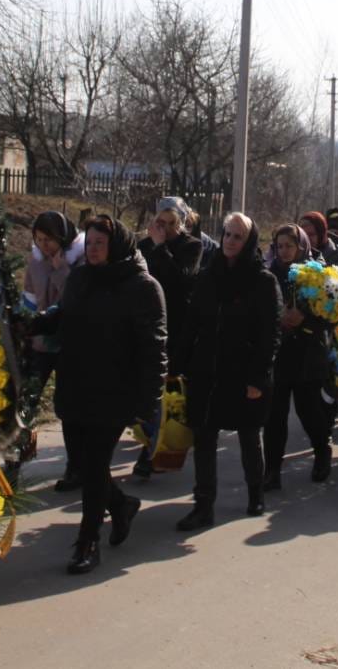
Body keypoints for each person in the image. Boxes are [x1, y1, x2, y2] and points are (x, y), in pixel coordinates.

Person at [28, 215, 165, 574]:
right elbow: (64, 313)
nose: (92, 250)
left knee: (95, 463)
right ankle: (120, 505)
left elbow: (154, 349)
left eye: (99, 244)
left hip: (114, 389)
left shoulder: (142, 287)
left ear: (115, 245)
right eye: (88, 244)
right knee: (86, 465)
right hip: (75, 383)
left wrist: (149, 403)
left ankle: (88, 542)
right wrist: (37, 321)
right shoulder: (81, 277)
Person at [174, 213, 280, 530]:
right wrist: (178, 364)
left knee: (249, 435)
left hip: (243, 370)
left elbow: (270, 333)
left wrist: (258, 378)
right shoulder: (209, 275)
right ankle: (203, 505)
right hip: (207, 369)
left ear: (248, 242)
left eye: (237, 237)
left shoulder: (263, 281)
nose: (230, 241)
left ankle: (255, 492)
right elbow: (191, 323)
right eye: (227, 235)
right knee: (204, 438)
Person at [261, 224, 333, 489]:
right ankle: (272, 469)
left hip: (308, 353)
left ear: (301, 246)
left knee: (308, 410)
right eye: (279, 246)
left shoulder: (316, 274)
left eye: (289, 246)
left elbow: (330, 314)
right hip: (279, 354)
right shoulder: (270, 274)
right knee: (274, 415)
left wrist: (305, 317)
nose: (284, 251)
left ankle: (322, 452)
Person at [136, 197, 202, 478]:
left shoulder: (192, 246)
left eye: (169, 223)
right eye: (159, 223)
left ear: (180, 222)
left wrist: (162, 248)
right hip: (148, 325)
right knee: (149, 389)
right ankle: (150, 445)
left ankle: (156, 450)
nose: (163, 228)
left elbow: (182, 279)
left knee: (170, 392)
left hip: (177, 327)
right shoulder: (144, 246)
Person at [22, 211, 84, 491]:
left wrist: (61, 269)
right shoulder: (35, 261)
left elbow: (74, 297)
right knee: (26, 398)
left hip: (68, 343)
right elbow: (29, 296)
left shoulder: (78, 260)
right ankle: (15, 460)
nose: (44, 245)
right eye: (39, 239)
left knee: (69, 406)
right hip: (40, 342)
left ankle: (75, 467)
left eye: (49, 239)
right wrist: (25, 326)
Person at [298, 211, 338, 278]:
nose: (307, 239)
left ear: (320, 234)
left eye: (311, 234)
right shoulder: (295, 253)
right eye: (303, 235)